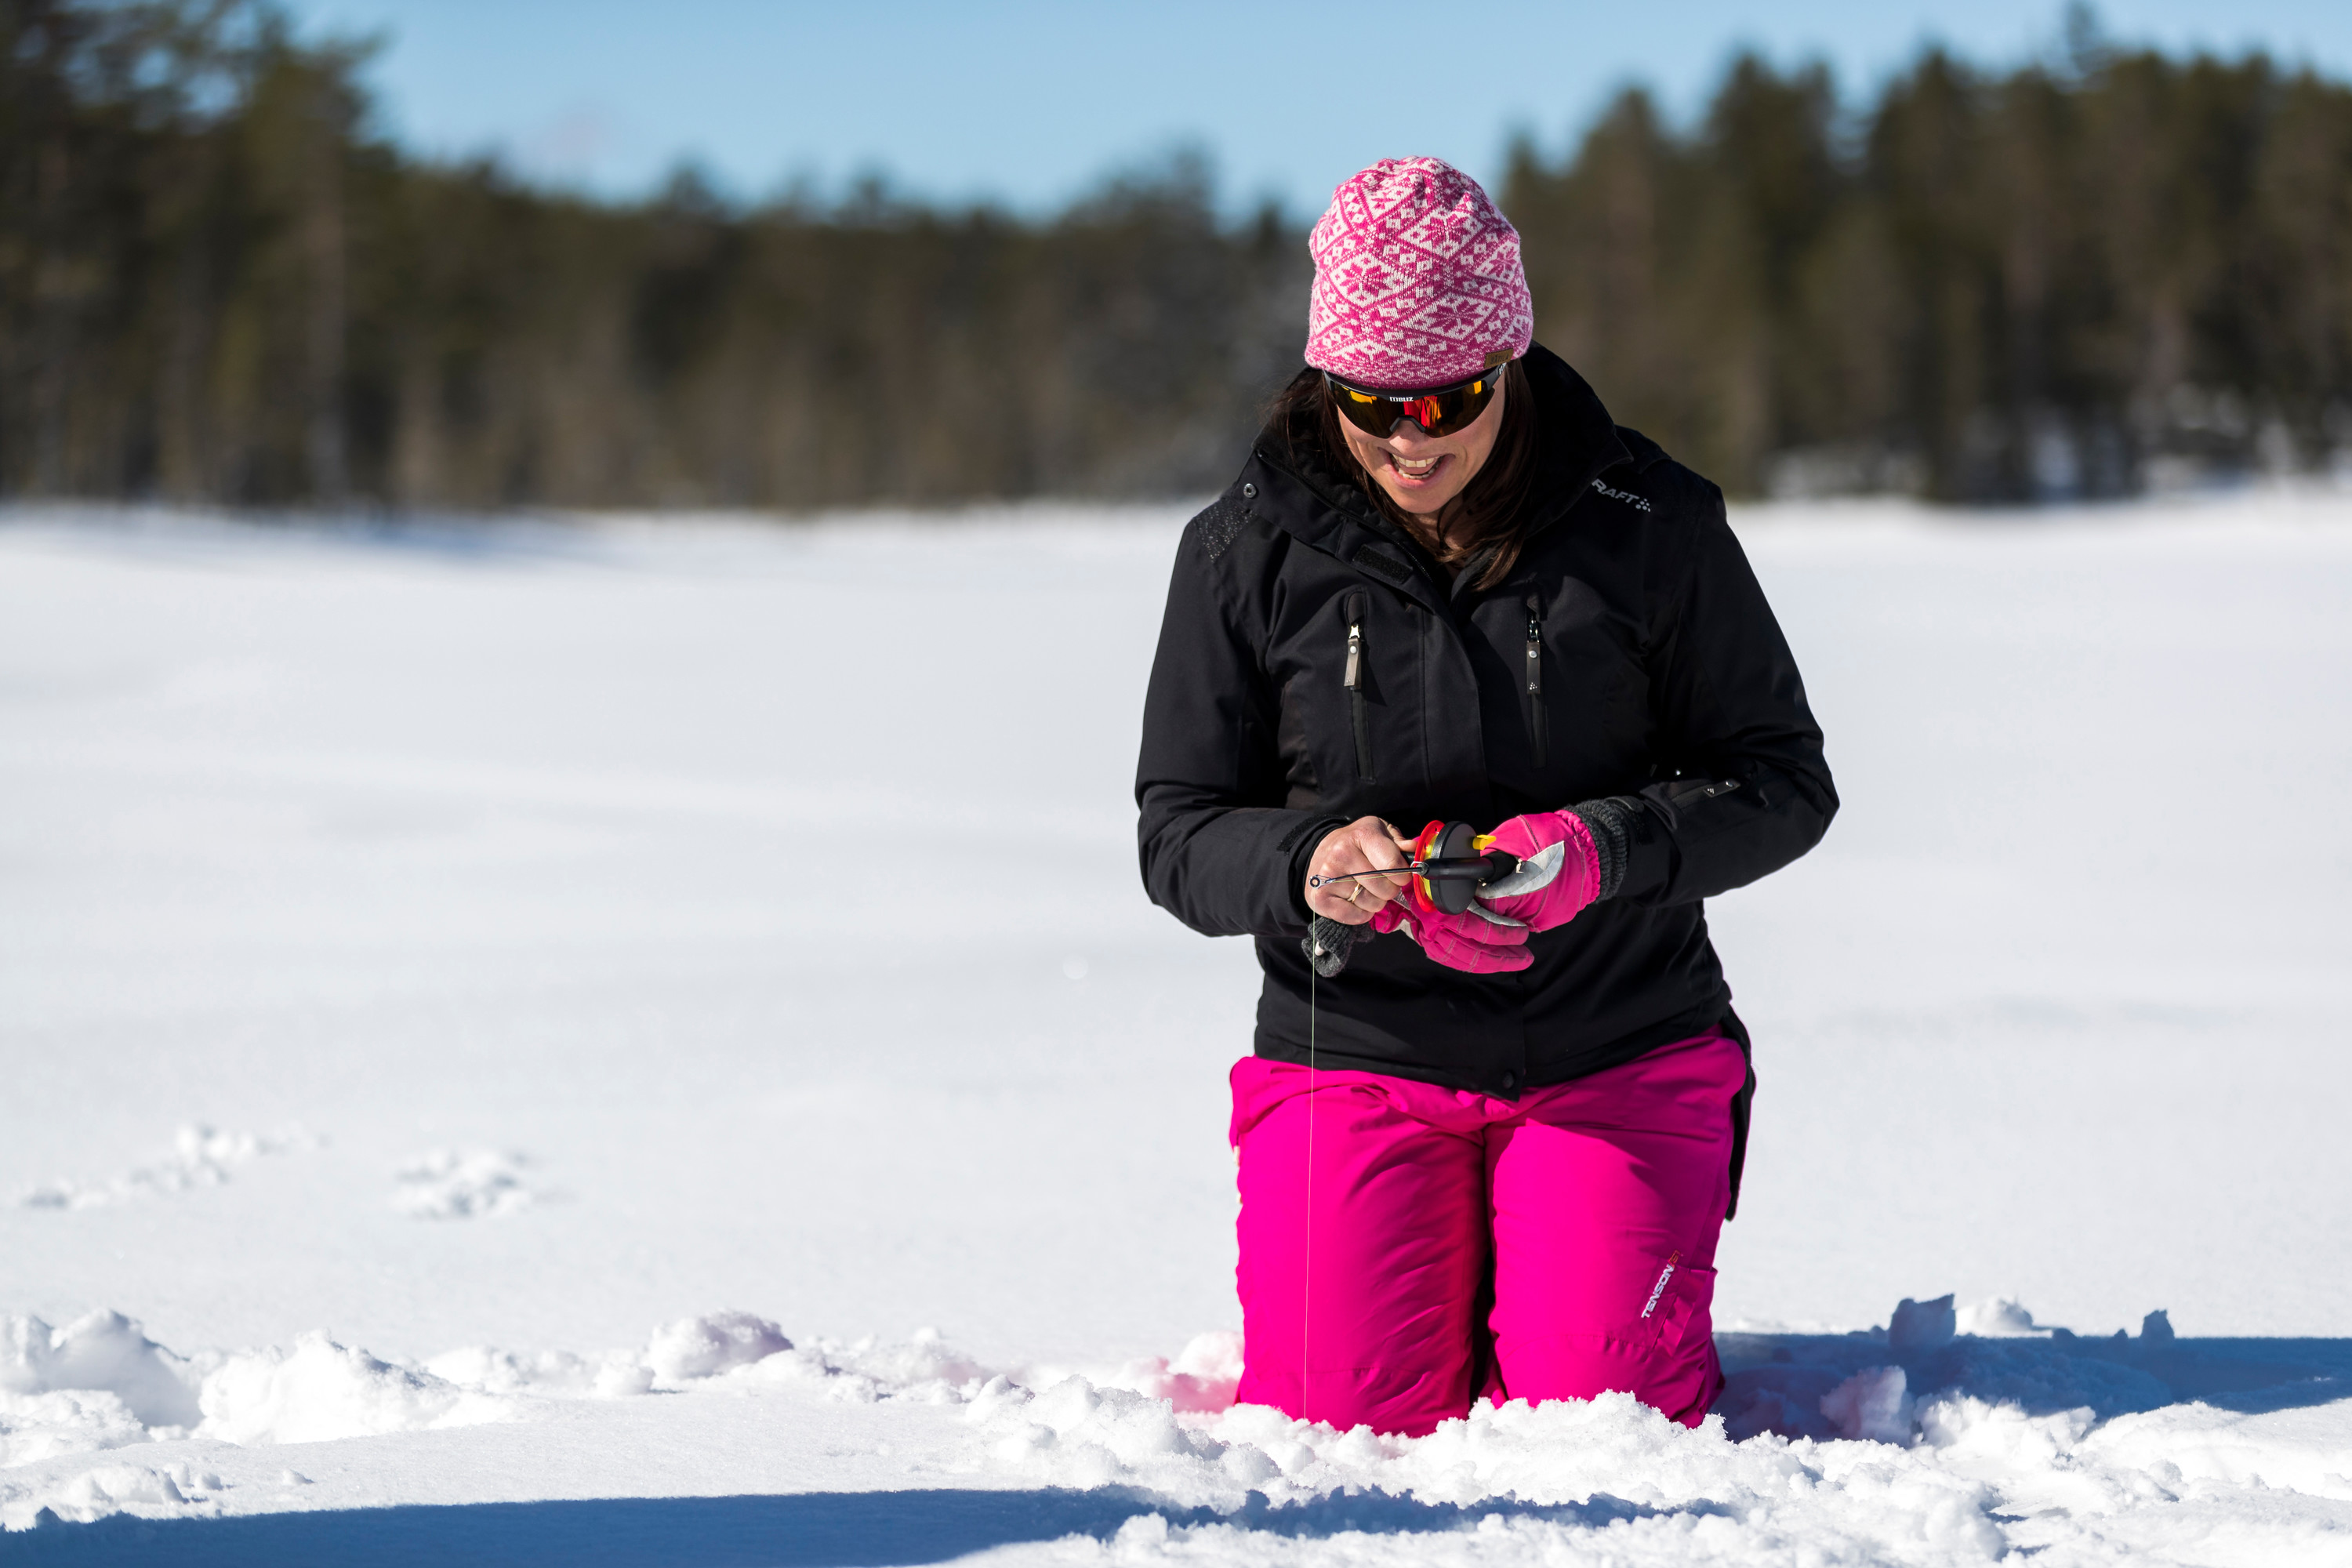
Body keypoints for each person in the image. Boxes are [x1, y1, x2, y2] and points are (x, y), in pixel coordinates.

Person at [1134, 157, 1837, 1438]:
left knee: (1601, 1415)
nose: (1414, 436)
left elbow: (1782, 782)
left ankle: (1550, 1273)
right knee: (1339, 1421)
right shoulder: (1241, 552)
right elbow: (1179, 833)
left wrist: (1602, 848)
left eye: (1451, 396)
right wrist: (1307, 862)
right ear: (1326, 377)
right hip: (1356, 1055)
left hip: (1615, 1045)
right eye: (1373, 398)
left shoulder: (1653, 525)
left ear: (1508, 359)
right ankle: (1443, 1272)